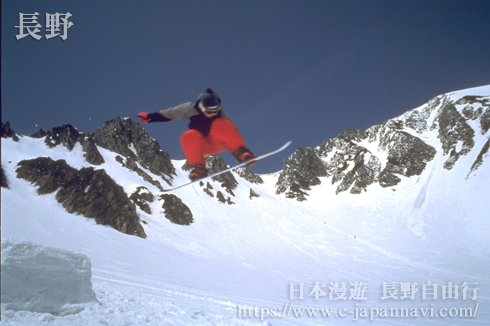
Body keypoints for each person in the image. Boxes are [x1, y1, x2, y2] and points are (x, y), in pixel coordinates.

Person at [137, 88, 257, 181]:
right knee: (188, 135)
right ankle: (199, 168)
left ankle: (241, 153)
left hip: (217, 142)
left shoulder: (220, 114)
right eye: (209, 111)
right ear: (201, 106)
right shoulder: (189, 108)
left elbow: (231, 129)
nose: (212, 113)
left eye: (215, 110)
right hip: (203, 145)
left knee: (221, 122)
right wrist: (150, 117)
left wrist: (242, 149)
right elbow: (170, 113)